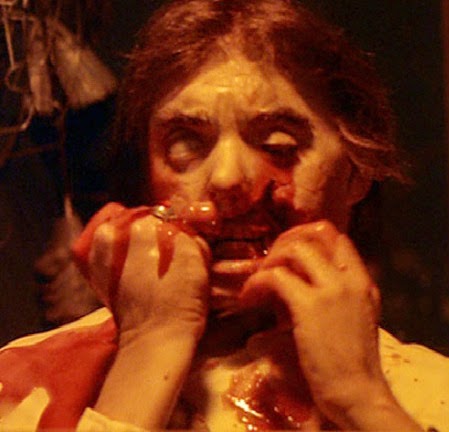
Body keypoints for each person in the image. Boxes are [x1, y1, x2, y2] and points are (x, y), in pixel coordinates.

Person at [0, 0, 447, 430]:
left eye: (278, 145)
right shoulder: (23, 381)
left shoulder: (429, 393)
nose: (228, 179)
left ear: (356, 174)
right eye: (185, 145)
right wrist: (150, 345)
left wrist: (361, 400)